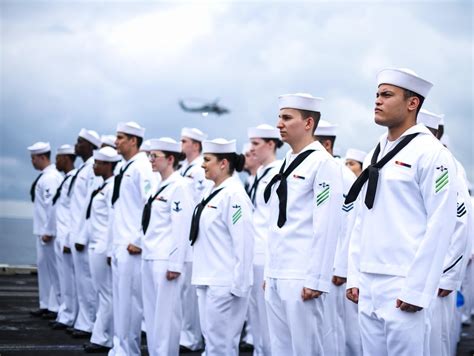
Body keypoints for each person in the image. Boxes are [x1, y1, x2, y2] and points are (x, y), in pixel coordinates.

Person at [345, 68, 458, 355]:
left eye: (387, 95)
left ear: (412, 103)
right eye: (377, 95)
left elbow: (441, 223)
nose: (378, 101)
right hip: (369, 280)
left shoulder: (431, 153)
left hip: (402, 280)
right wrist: (355, 276)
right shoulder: (376, 153)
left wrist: (417, 290)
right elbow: (362, 217)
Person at [264, 93, 343, 355]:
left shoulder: (323, 163)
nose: (279, 124)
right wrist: (269, 271)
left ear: (308, 123)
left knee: (306, 348)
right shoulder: (286, 162)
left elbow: (327, 224)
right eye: (279, 117)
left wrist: (317, 279)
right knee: (281, 347)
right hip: (279, 270)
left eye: (287, 118)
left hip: (301, 272)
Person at [191, 138, 254, 356]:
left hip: (224, 283)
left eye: (207, 160)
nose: (202, 165)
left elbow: (244, 242)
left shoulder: (234, 195)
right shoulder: (212, 191)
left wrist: (239, 284)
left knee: (222, 346)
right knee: (212, 344)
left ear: (223, 163)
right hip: (208, 278)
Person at [418, 109, 471, 356]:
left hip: (436, 275)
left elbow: (460, 222)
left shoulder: (446, 166)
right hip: (411, 273)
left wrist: (448, 275)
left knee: (434, 343)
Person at [141, 138, 193, 356]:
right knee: (152, 316)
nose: (151, 160)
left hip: (165, 260)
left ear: (170, 159)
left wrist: (175, 263)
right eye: (150, 156)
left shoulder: (180, 186)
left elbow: (181, 228)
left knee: (167, 317)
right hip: (151, 255)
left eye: (155, 156)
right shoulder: (159, 185)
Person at [109, 121, 155, 356]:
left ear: (133, 141)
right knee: (120, 303)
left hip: (132, 247)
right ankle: (119, 349)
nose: (116, 141)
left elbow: (151, 204)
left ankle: (128, 351)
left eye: (120, 137)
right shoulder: (123, 167)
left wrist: (138, 240)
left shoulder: (142, 168)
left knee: (130, 305)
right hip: (119, 244)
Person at [315, 119, 359, 356]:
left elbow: (349, 225)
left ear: (327, 144)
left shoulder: (343, 175)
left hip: (334, 265)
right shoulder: (316, 170)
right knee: (322, 327)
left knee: (335, 327)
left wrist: (341, 267)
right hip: (319, 262)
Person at [247, 124, 283, 356]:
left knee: (269, 321)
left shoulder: (278, 173)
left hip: (266, 253)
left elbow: (276, 219)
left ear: (271, 144)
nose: (251, 149)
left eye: (256, 144)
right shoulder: (260, 174)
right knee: (256, 318)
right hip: (254, 252)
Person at [82, 147, 121, 353]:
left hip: (102, 246)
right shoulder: (103, 185)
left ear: (107, 165)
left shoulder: (113, 186)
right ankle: (103, 335)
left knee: (106, 293)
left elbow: (113, 220)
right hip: (95, 244)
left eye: (98, 163)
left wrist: (108, 250)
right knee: (102, 292)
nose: (94, 166)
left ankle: (101, 337)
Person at [68, 129, 102, 338]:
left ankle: (88, 323)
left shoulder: (93, 169)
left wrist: (82, 236)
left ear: (90, 146)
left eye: (80, 142)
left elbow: (92, 206)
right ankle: (84, 320)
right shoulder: (85, 168)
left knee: (87, 282)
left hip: (85, 235)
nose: (76, 145)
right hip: (76, 232)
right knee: (81, 281)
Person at [179, 127, 210, 352]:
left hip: (194, 236)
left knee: (192, 294)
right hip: (185, 234)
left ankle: (192, 337)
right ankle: (187, 334)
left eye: (184, 141)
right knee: (185, 292)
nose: (181, 145)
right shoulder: (184, 168)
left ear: (196, 145)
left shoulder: (200, 170)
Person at [28, 141, 63, 319]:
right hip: (43, 231)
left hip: (48, 233)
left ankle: (55, 306)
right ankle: (47, 304)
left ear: (42, 157)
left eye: (34, 158)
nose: (32, 161)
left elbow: (52, 206)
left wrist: (49, 230)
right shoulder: (46, 176)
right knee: (45, 269)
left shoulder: (50, 178)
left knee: (53, 270)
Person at [47, 144, 78, 330]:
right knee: (63, 278)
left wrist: (68, 238)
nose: (56, 161)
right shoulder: (67, 179)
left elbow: (75, 211)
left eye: (58, 158)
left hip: (67, 235)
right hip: (61, 235)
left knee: (69, 280)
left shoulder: (74, 178)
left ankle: (69, 315)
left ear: (66, 158)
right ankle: (64, 312)